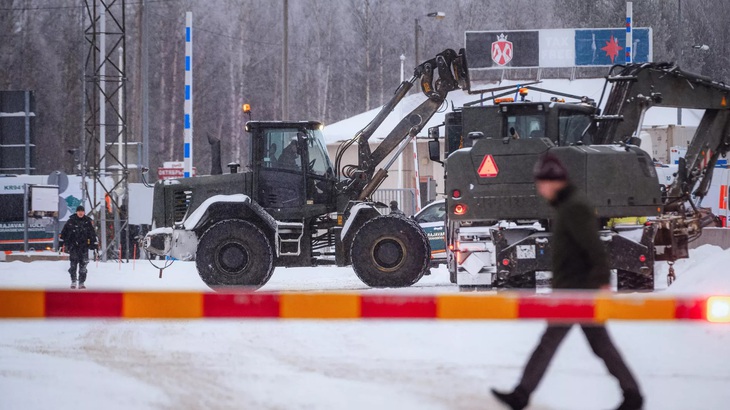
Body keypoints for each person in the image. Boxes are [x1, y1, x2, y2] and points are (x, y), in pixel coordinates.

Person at [491, 152, 643, 410]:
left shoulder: (574, 207)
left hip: (578, 291)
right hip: (573, 289)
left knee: (550, 343)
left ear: (553, 182)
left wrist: (602, 283)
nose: (540, 190)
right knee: (599, 345)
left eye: (541, 184)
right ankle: (632, 395)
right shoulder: (567, 206)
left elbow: (594, 247)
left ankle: (521, 395)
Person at [60, 205, 97, 289]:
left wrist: (94, 244)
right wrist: (62, 243)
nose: (80, 213)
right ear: (76, 212)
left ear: (84, 212)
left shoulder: (87, 222)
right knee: (73, 265)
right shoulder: (71, 221)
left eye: (82, 211)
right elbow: (64, 233)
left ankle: (81, 282)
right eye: (79, 211)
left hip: (84, 247)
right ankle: (73, 280)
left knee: (83, 265)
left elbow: (92, 234)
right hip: (73, 247)